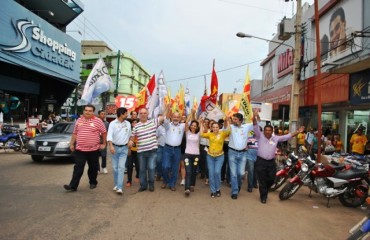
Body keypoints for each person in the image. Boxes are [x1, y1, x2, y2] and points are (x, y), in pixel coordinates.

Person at [253, 111, 303, 204]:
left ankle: (266, 189)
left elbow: (287, 136)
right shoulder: (259, 136)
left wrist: (298, 132)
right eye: (266, 130)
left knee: (271, 179)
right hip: (260, 162)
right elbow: (255, 125)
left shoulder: (275, 138)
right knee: (262, 180)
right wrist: (254, 115)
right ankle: (263, 196)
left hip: (271, 162)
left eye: (269, 130)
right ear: (264, 131)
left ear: (272, 132)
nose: (267, 132)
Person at [64, 104, 107, 192]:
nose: (87, 112)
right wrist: (72, 144)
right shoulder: (79, 120)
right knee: (78, 168)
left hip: (93, 150)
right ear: (83, 111)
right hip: (80, 149)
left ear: (93, 112)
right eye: (86, 110)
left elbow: (104, 133)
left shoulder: (98, 121)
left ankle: (93, 182)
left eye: (90, 111)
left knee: (93, 168)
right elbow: (75, 133)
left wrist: (104, 143)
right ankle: (73, 186)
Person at [129, 108, 158, 192]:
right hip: (141, 152)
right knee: (142, 170)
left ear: (147, 114)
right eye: (141, 113)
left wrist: (167, 108)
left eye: (145, 113)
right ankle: (143, 185)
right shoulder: (136, 126)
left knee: (151, 168)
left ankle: (151, 184)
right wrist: (130, 141)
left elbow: (164, 118)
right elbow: (132, 136)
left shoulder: (153, 122)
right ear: (139, 115)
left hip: (152, 151)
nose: (143, 114)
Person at [200, 117, 230, 198]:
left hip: (219, 156)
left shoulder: (222, 134)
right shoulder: (210, 134)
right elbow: (201, 134)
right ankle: (213, 191)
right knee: (211, 174)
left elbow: (229, 131)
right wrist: (201, 123)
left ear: (219, 127)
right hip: (210, 156)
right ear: (211, 128)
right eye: (214, 127)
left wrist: (228, 121)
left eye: (217, 127)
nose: (215, 128)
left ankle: (218, 189)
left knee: (217, 172)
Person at [227, 113, 253, 200]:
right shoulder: (231, 127)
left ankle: (238, 185)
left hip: (243, 154)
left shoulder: (246, 127)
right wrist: (227, 120)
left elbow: (256, 123)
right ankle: (234, 191)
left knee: (241, 173)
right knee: (233, 174)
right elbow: (225, 128)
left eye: (235, 119)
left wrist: (256, 115)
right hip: (232, 153)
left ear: (240, 120)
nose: (233, 120)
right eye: (233, 119)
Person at [107, 107, 131, 195]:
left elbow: (129, 135)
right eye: (126, 113)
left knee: (121, 168)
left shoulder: (128, 124)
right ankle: (116, 184)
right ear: (121, 114)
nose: (127, 115)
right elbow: (109, 135)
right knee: (115, 168)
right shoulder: (112, 124)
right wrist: (111, 146)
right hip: (115, 149)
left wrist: (129, 144)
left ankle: (120, 187)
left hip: (124, 148)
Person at [162, 109, 185, 191]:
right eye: (174, 116)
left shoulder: (182, 126)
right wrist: (168, 109)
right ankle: (166, 180)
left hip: (177, 150)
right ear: (172, 117)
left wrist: (192, 113)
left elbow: (190, 121)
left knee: (175, 168)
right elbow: (166, 119)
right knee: (165, 166)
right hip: (167, 149)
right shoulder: (168, 125)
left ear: (180, 118)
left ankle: (172, 184)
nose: (176, 118)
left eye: (178, 117)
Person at [183, 110, 200, 196]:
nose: (193, 127)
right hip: (187, 155)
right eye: (192, 125)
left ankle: (192, 184)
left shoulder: (198, 134)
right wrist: (191, 114)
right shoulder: (187, 132)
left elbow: (198, 122)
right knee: (188, 171)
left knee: (194, 171)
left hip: (196, 155)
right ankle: (187, 188)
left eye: (195, 126)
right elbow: (186, 122)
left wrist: (195, 116)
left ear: (197, 127)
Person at [126, 119, 139, 187]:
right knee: (129, 166)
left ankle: (137, 175)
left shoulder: (140, 131)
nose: (135, 123)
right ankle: (129, 181)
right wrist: (128, 150)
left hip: (138, 151)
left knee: (138, 166)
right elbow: (127, 141)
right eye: (133, 122)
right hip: (131, 151)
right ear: (131, 124)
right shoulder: (129, 132)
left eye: (136, 122)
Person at [97, 110, 109, 174]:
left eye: (104, 114)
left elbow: (108, 132)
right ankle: (97, 168)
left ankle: (104, 167)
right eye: (102, 114)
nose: (103, 115)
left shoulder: (106, 123)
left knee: (103, 155)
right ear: (99, 115)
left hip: (103, 141)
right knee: (96, 156)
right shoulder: (95, 122)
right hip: (95, 142)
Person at [155, 115, 165, 182]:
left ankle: (164, 175)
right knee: (158, 161)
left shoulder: (169, 127)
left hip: (167, 147)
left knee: (165, 163)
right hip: (160, 146)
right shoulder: (159, 128)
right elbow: (156, 136)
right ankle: (159, 173)